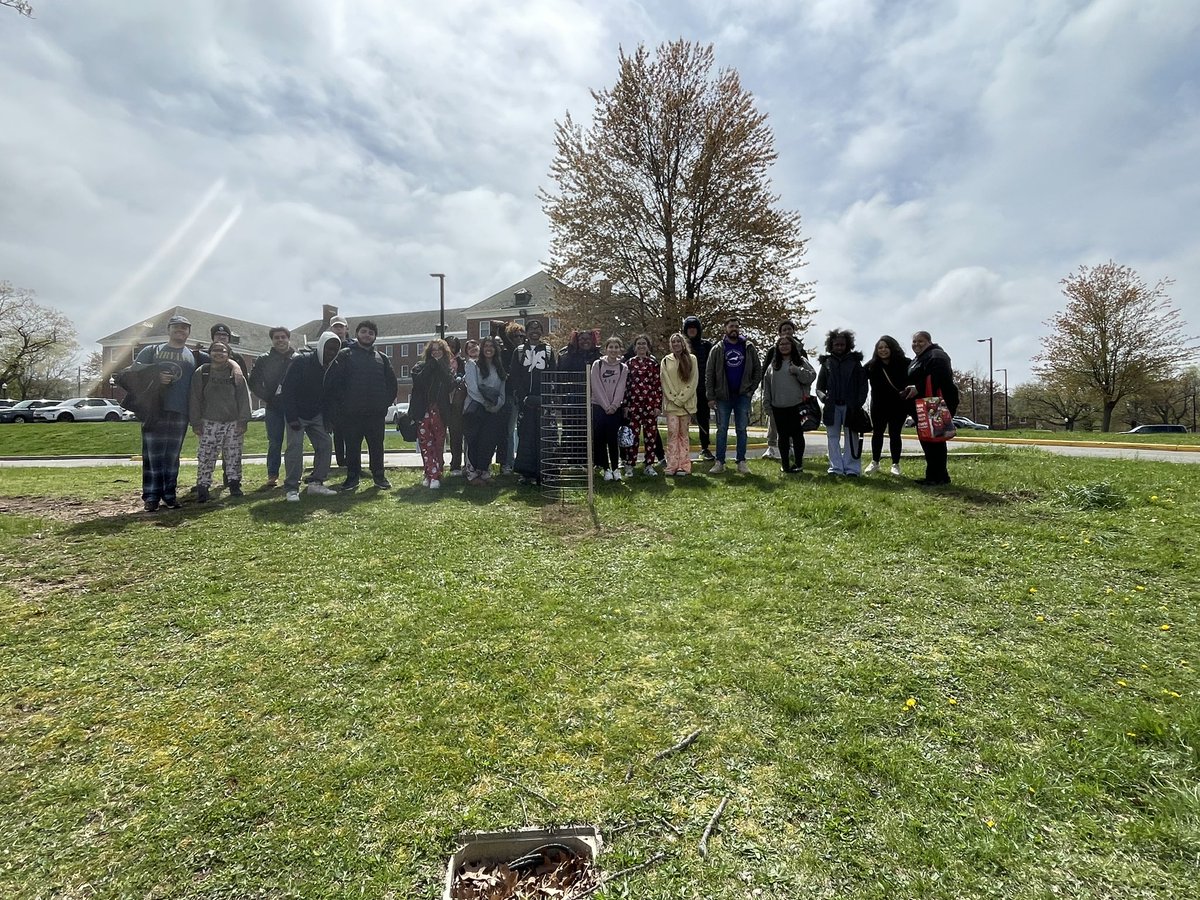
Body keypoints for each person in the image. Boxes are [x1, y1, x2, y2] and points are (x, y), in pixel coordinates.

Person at [134, 315, 200, 510]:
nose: (180, 330)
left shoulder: (192, 356)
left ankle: (169, 494)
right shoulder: (151, 350)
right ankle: (151, 496)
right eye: (176, 327)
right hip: (154, 410)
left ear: (188, 332)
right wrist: (155, 377)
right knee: (153, 455)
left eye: (184, 328)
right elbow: (132, 375)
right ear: (169, 329)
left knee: (172, 456)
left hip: (180, 411)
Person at [324, 320, 398, 491]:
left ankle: (379, 477)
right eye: (364, 331)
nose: (367, 335)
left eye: (371, 333)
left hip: (375, 415)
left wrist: (383, 404)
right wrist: (342, 406)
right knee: (352, 448)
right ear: (357, 333)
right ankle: (352, 478)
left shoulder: (382, 358)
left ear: (375, 337)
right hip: (351, 415)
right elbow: (334, 384)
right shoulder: (344, 355)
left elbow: (392, 385)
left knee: (377, 447)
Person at [278, 331, 340, 501]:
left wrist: (328, 419)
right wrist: (291, 416)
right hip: (297, 413)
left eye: (336, 349)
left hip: (317, 414)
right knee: (295, 447)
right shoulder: (302, 361)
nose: (332, 352)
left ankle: (316, 483)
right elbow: (288, 390)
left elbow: (331, 396)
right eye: (329, 348)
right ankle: (291, 488)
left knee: (325, 443)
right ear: (321, 346)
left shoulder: (334, 367)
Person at [188, 341, 252, 502]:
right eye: (215, 350)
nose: (219, 353)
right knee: (206, 456)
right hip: (209, 422)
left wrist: (243, 420)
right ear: (210, 353)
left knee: (233, 456)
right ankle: (203, 486)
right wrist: (195, 422)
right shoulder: (202, 372)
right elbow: (194, 398)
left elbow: (244, 397)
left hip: (233, 422)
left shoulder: (235, 374)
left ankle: (234, 484)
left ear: (228, 354)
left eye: (222, 351)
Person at [705, 317, 762, 475]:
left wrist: (751, 390)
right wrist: (710, 396)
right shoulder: (718, 348)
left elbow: (758, 370)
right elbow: (709, 374)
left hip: (742, 395)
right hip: (723, 396)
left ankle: (741, 462)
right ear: (725, 329)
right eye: (731, 326)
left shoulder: (748, 347)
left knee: (742, 430)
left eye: (737, 326)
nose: (734, 329)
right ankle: (720, 462)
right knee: (721, 430)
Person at [903, 331, 960, 486]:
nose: (916, 344)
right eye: (914, 342)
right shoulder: (919, 358)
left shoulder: (937, 355)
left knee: (936, 440)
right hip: (924, 404)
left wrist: (918, 388)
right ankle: (932, 475)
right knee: (928, 440)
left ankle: (940, 477)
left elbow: (938, 377)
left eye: (920, 341)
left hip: (935, 403)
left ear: (929, 341)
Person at [815, 329, 869, 476]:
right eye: (836, 344)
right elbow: (819, 387)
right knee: (832, 438)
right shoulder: (826, 363)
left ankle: (852, 469)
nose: (839, 347)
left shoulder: (855, 362)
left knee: (852, 438)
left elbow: (863, 386)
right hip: (832, 407)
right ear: (831, 345)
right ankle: (835, 468)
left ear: (847, 345)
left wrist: (858, 404)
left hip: (851, 407)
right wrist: (824, 398)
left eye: (842, 344)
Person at [247, 326, 295, 488]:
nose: (280, 340)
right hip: (273, 408)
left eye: (283, 337)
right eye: (277, 338)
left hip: (293, 408)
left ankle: (293, 474)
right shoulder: (263, 359)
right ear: (272, 340)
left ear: (288, 339)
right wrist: (268, 397)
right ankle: (272, 475)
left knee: (294, 443)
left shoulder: (298, 358)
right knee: (274, 442)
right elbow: (253, 382)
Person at [511, 320, 557, 484]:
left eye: (538, 328)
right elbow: (515, 377)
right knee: (526, 436)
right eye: (531, 329)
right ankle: (526, 473)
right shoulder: (519, 351)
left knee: (545, 435)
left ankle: (546, 471)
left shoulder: (549, 351)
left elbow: (553, 376)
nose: (534, 331)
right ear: (527, 332)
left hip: (544, 401)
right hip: (525, 402)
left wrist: (546, 397)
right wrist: (524, 397)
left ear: (542, 332)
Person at [763, 334, 816, 474]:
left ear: (792, 346)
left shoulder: (800, 361)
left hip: (797, 405)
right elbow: (767, 385)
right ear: (777, 347)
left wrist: (798, 370)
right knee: (783, 437)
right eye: (781, 344)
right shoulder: (773, 364)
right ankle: (785, 465)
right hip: (778, 406)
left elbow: (811, 376)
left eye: (787, 344)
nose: (784, 346)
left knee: (798, 436)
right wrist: (767, 404)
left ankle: (798, 464)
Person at [409, 338, 454, 489]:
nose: (436, 352)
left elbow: (449, 384)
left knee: (438, 444)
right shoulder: (419, 366)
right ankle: (432, 475)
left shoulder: (447, 368)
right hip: (423, 411)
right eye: (433, 350)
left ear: (444, 352)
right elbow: (419, 381)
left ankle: (434, 472)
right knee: (425, 443)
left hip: (440, 411)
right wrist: (432, 364)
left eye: (439, 350)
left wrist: (439, 366)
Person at [864, 335, 912, 476]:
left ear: (892, 348)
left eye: (886, 347)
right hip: (878, 405)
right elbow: (858, 378)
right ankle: (875, 462)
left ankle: (895, 464)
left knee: (895, 434)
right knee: (877, 433)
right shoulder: (871, 365)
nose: (883, 350)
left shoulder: (905, 363)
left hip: (898, 405)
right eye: (880, 348)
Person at [463, 336, 507, 484]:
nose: (489, 349)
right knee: (474, 440)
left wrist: (497, 405)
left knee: (488, 441)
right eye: (486, 346)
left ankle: (484, 470)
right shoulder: (473, 365)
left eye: (492, 346)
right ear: (482, 348)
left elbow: (502, 390)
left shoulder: (499, 366)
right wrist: (485, 404)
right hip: (476, 408)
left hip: (493, 410)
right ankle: (472, 473)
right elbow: (472, 388)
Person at [557, 329, 601, 467]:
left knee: (589, 430)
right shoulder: (567, 355)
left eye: (588, 338)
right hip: (571, 399)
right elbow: (560, 376)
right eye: (582, 339)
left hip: (592, 399)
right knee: (570, 428)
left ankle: (588, 460)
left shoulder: (598, 356)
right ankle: (571, 460)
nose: (585, 341)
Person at [622, 334, 664, 476]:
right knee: (632, 437)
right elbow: (626, 386)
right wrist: (626, 405)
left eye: (644, 344)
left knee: (651, 437)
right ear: (634, 347)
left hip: (650, 406)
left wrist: (657, 405)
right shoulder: (628, 364)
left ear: (648, 347)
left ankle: (649, 465)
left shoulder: (653, 364)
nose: (641, 346)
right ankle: (630, 464)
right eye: (638, 344)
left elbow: (658, 386)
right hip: (633, 405)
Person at [760, 320, 799, 460]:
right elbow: (765, 372)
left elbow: (806, 372)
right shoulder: (773, 351)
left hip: (794, 394)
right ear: (780, 333)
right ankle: (771, 447)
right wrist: (765, 392)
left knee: (792, 425)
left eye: (789, 329)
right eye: (784, 330)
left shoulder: (800, 351)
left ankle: (790, 448)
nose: (787, 332)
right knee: (773, 421)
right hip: (776, 394)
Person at [660, 332, 698, 476]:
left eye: (678, 341)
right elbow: (665, 382)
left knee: (684, 435)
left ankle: (684, 465)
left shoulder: (692, 359)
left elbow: (692, 382)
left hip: (686, 405)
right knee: (672, 434)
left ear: (683, 343)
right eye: (673, 342)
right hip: (671, 406)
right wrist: (674, 398)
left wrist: (681, 398)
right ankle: (672, 465)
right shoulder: (665, 361)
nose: (676, 344)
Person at [590, 337, 628, 481]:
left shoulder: (622, 367)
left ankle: (616, 468)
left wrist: (613, 406)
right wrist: (606, 406)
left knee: (613, 439)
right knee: (600, 438)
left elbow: (621, 388)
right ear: (606, 349)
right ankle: (605, 468)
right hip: (599, 407)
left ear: (620, 349)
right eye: (610, 347)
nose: (613, 350)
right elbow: (596, 386)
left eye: (616, 347)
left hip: (614, 408)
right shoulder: (597, 364)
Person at [683, 316, 715, 460]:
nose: (692, 330)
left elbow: (712, 369)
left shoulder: (707, 346)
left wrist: (711, 391)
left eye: (694, 328)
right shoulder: (681, 346)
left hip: (703, 390)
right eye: (689, 328)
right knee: (682, 420)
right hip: (684, 390)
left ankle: (705, 448)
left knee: (703, 420)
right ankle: (682, 450)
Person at [497, 321, 525, 474]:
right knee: (508, 430)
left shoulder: (528, 352)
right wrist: (502, 327)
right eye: (515, 336)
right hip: (509, 395)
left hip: (524, 396)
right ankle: (507, 463)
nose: (519, 338)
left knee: (524, 431)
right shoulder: (506, 353)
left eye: (522, 335)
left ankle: (522, 462)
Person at [327, 316, 354, 468]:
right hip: (334, 395)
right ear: (331, 329)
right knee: (337, 431)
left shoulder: (353, 346)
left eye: (341, 327)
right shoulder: (326, 346)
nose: (338, 329)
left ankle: (351, 459)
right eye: (336, 327)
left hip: (350, 395)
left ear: (346, 329)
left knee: (351, 431)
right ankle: (340, 461)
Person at [444, 335, 468, 476]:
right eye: (448, 346)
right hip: (442, 401)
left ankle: (456, 465)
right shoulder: (439, 361)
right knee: (440, 435)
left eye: (453, 346)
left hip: (457, 402)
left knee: (456, 434)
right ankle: (436, 464)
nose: (451, 349)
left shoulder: (461, 362)